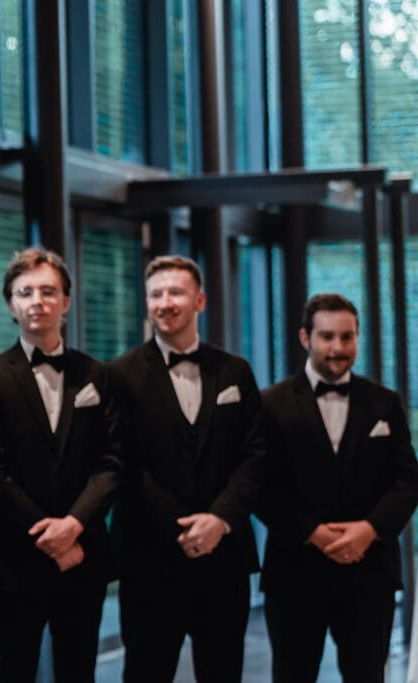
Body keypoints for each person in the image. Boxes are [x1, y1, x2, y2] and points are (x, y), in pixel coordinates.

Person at [0, 246, 121, 682]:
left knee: (79, 672)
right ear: (11, 304)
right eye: (26, 291)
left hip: (83, 555)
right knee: (14, 672)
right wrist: (50, 534)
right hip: (15, 559)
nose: (38, 300)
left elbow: (111, 463)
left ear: (66, 303)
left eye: (49, 291)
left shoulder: (98, 375)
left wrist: (74, 526)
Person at [110, 254, 264, 683]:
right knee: (145, 673)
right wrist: (183, 527)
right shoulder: (119, 375)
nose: (165, 302)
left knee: (222, 672)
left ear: (200, 300)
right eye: (156, 294)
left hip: (224, 557)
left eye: (175, 292)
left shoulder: (236, 370)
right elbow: (121, 465)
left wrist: (220, 519)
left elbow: (254, 455)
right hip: (148, 560)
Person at [258, 293, 418, 683]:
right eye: (327, 337)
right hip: (295, 571)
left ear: (358, 337)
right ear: (304, 337)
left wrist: (369, 530)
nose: (337, 348)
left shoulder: (385, 403)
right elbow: (260, 484)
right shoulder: (269, 403)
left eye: (347, 337)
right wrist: (310, 531)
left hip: (369, 574)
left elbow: (408, 479)